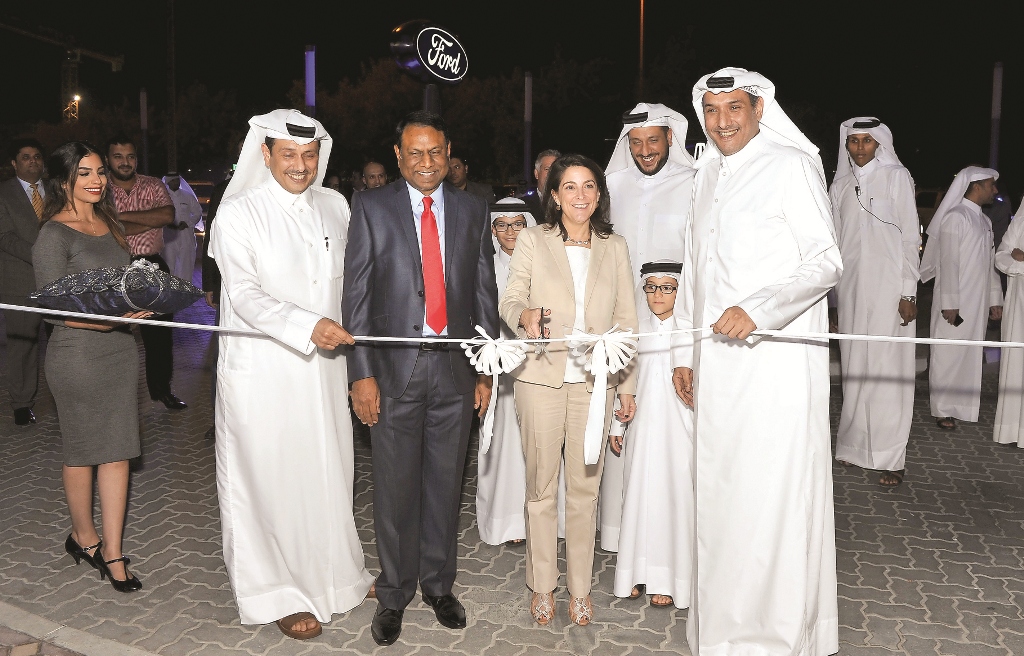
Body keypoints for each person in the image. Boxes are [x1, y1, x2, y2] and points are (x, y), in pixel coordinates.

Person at [672, 68, 842, 655]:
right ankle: (721, 631)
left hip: (774, 367)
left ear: (759, 108)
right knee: (720, 495)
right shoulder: (706, 172)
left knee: (770, 496)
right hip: (716, 368)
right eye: (713, 110)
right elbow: (694, 269)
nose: (723, 122)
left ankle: (773, 638)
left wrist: (760, 309)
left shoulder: (790, 166)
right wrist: (683, 354)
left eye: (734, 108)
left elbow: (825, 262)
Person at [209, 109, 374, 640]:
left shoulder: (335, 204)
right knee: (269, 477)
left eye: (309, 156)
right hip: (264, 370)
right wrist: (308, 324)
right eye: (289, 155)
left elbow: (353, 283)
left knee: (328, 469)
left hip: (325, 368)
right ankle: (273, 592)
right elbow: (245, 295)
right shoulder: (238, 213)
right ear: (265, 154)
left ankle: (340, 576)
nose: (301, 166)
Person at [342, 111, 498, 647]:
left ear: (448, 151)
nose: (426, 162)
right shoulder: (369, 207)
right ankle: (393, 594)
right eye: (415, 153)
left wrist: (484, 368)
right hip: (392, 374)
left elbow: (483, 294)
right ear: (398, 154)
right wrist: (361, 373)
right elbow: (356, 296)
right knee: (394, 490)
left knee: (443, 486)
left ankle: (438, 585)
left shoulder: (473, 208)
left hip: (455, 372)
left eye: (435, 152)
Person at [499, 153, 638, 627]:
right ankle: (542, 586)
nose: (580, 195)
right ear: (554, 196)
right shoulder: (534, 241)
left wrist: (625, 386)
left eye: (589, 187)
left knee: (585, 490)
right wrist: (523, 316)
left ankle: (580, 589)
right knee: (541, 489)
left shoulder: (614, 245)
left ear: (598, 194)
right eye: (570, 187)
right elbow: (511, 295)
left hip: (594, 385)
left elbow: (627, 321)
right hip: (540, 379)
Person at [33, 141, 153, 593]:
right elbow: (51, 307)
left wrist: (141, 299)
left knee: (119, 449)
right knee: (83, 449)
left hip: (120, 352)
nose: (98, 180)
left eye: (100, 172)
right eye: (85, 173)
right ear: (64, 179)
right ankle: (84, 537)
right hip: (77, 355)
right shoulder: (54, 235)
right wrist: (107, 322)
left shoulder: (110, 223)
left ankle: (113, 549)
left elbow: (117, 285)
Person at [599, 103, 695, 551]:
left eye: (652, 140)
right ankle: (622, 536)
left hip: (674, 326)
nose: (644, 151)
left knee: (667, 430)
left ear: (671, 138)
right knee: (620, 420)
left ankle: (666, 544)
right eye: (635, 143)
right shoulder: (612, 185)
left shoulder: (692, 183)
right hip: (621, 320)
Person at [830, 118, 920, 488]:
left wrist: (908, 291)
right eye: (854, 141)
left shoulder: (897, 177)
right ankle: (854, 447)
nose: (861, 147)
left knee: (889, 370)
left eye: (868, 140)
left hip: (890, 290)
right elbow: (835, 245)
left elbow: (910, 236)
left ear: (880, 143)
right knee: (855, 367)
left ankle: (890, 456)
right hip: (851, 289)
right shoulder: (839, 185)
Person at [612, 260, 694, 610]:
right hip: (642, 432)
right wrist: (618, 425)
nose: (657, 295)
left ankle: (672, 580)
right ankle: (635, 574)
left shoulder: (692, 330)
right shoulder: (634, 329)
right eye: (651, 287)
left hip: (680, 433)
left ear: (680, 291)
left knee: (675, 499)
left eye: (667, 287)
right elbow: (624, 383)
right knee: (639, 496)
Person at [105, 136, 186, 410]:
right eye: (118, 156)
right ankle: (115, 398)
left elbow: (166, 216)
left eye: (130, 156)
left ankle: (162, 391)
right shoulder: (99, 188)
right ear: (108, 159)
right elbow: (102, 227)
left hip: (152, 265)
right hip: (114, 268)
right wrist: (141, 218)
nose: (125, 162)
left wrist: (120, 219)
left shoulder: (153, 184)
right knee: (113, 333)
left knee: (160, 334)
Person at [920, 167, 1003, 430]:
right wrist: (949, 303)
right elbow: (949, 262)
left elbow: (989, 265)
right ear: (977, 186)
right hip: (954, 303)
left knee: (968, 354)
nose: (995, 190)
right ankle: (943, 409)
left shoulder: (984, 221)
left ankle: (963, 407)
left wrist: (994, 299)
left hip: (977, 302)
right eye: (992, 185)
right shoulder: (955, 217)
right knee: (947, 353)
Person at [476, 198, 537, 546]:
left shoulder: (540, 263)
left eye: (518, 223)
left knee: (536, 443)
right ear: (493, 229)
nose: (510, 231)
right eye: (502, 224)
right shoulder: (483, 265)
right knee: (500, 443)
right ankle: (505, 521)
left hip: (534, 361)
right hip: (496, 367)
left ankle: (539, 521)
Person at [0, 138, 46, 425]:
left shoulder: (58, 190)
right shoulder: (3, 193)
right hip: (19, 282)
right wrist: (43, 256)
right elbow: (4, 237)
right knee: (23, 345)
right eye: (26, 157)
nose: (33, 161)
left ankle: (67, 400)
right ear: (14, 163)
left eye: (37, 156)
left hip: (59, 282)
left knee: (64, 345)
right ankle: (21, 403)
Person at [994, 198, 1024, 447]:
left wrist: (1021, 259)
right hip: (1019, 305)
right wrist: (1017, 261)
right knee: (1017, 364)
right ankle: (1014, 430)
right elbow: (1002, 256)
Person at [160, 172, 203, 283]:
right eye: (173, 180)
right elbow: (158, 214)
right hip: (169, 236)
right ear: (168, 182)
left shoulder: (187, 196)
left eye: (178, 180)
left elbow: (197, 212)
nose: (176, 182)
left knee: (186, 263)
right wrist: (169, 224)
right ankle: (169, 289)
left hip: (186, 235)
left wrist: (188, 223)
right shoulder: (162, 197)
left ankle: (185, 287)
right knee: (169, 263)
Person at [519, 149, 560, 219]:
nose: (551, 174)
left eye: (555, 170)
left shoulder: (570, 203)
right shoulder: (522, 206)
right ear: (536, 174)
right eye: (547, 169)